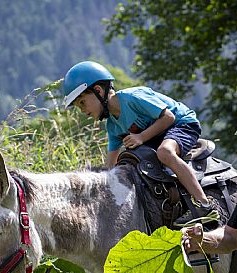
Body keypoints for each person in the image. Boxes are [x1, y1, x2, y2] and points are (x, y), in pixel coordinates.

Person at [63, 60, 219, 227]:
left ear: (99, 91)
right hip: (159, 134)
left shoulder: (132, 98)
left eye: (82, 103)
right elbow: (111, 164)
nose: (83, 111)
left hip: (181, 124)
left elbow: (168, 117)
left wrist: (141, 137)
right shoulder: (113, 126)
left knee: (165, 152)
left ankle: (205, 205)